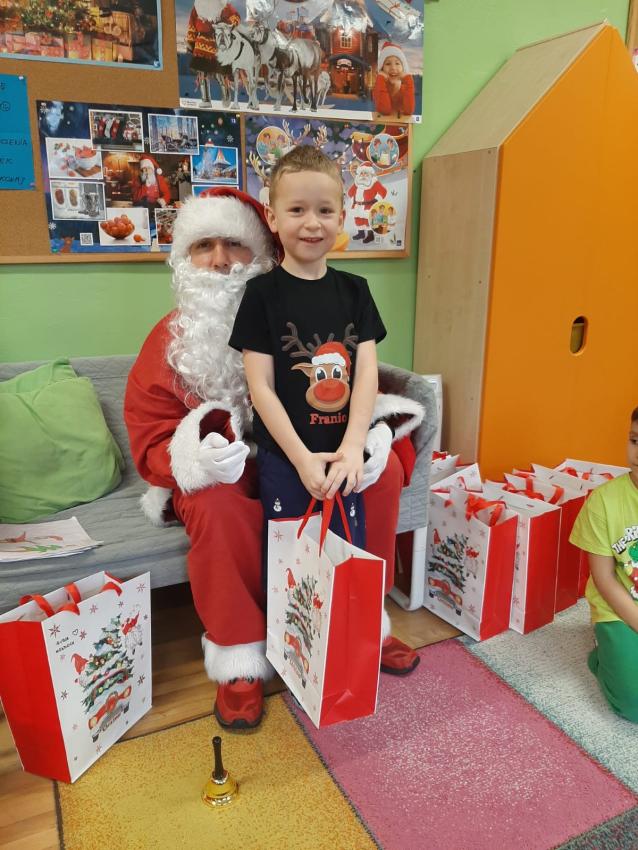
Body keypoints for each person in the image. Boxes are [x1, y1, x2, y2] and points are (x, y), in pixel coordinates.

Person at [124, 186, 423, 731]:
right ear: (185, 258)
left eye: (234, 244)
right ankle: (239, 658)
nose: (220, 261)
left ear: (262, 249)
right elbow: (151, 431)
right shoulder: (171, 341)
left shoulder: (310, 306)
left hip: (309, 446)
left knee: (380, 478)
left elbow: (353, 382)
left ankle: (363, 623)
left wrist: (371, 438)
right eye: (204, 246)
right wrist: (198, 453)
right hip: (231, 470)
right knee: (216, 504)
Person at [230, 145, 420, 670]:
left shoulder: (356, 291)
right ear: (272, 217)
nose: (311, 223)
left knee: (347, 551)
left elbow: (366, 376)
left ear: (342, 215)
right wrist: (299, 458)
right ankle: (294, 653)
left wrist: (354, 446)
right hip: (287, 458)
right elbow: (261, 388)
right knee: (292, 557)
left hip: (343, 458)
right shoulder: (261, 296)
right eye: (296, 210)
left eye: (324, 210)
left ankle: (354, 638)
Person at [569, 407, 638, 722]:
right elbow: (604, 579)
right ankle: (601, 656)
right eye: (634, 441)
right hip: (620, 609)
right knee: (632, 705)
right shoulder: (604, 501)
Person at [372, 41, 415, 118]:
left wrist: (409, 80)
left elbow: (409, 111)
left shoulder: (404, 87)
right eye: (388, 64)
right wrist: (380, 78)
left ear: (403, 68)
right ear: (381, 68)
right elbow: (385, 110)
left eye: (397, 63)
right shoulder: (379, 86)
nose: (393, 68)